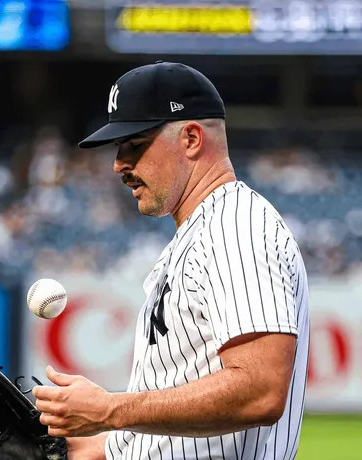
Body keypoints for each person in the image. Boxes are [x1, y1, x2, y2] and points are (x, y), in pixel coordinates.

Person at [33, 61, 310, 460]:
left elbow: (261, 389)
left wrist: (111, 410)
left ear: (192, 138)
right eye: (118, 148)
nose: (119, 165)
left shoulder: (236, 229)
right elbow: (172, 433)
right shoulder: (199, 233)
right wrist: (89, 449)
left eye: (134, 143)